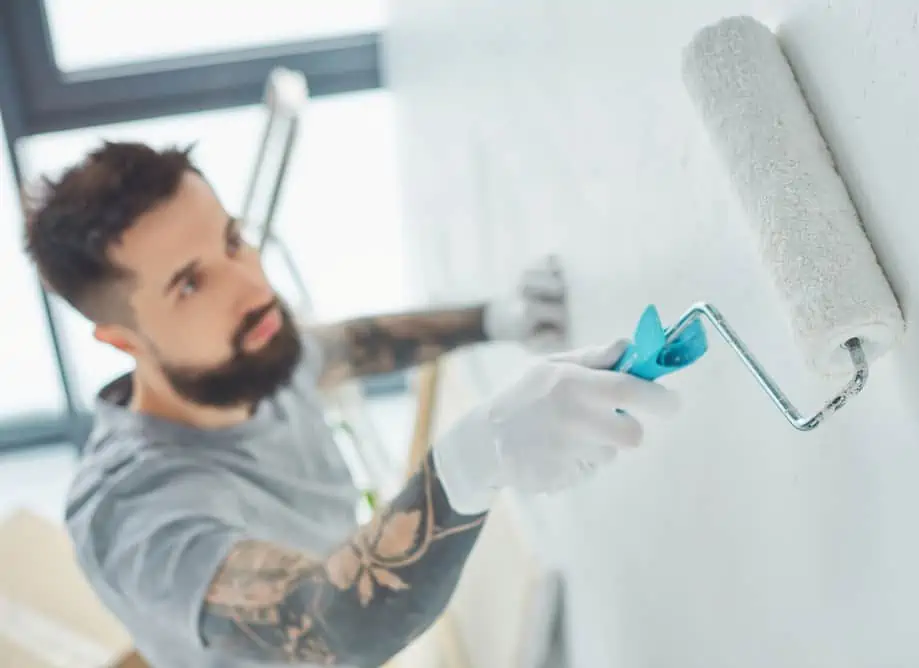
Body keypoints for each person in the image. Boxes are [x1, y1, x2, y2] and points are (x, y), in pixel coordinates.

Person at [22, 141, 678, 668]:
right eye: (190, 283)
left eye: (232, 240)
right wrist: (473, 459)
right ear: (120, 340)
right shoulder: (134, 518)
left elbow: (352, 346)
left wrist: (495, 318)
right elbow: (330, 629)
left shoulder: (244, 357)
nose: (252, 285)